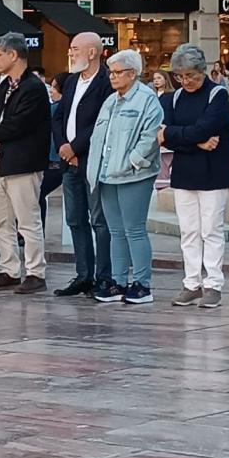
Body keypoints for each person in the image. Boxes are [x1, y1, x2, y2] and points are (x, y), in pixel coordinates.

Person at [159, 44, 229, 308]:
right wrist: (196, 142)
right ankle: (191, 282)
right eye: (180, 76)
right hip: (185, 171)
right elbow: (164, 133)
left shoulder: (218, 95)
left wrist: (180, 136)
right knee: (189, 231)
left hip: (214, 172)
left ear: (203, 72)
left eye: (191, 75)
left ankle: (213, 283)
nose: (186, 81)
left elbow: (207, 126)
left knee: (211, 230)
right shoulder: (173, 98)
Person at [87, 49, 164, 305]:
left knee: (134, 230)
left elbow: (150, 135)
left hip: (134, 175)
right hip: (107, 175)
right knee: (116, 231)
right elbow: (100, 137)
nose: (113, 77)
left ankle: (142, 283)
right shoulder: (111, 101)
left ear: (133, 73)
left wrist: (133, 162)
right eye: (112, 72)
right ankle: (118, 282)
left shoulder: (147, 99)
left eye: (119, 72)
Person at [0, 33, 50, 294]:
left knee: (27, 220)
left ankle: (35, 272)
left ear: (13, 55)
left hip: (22, 161)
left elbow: (17, 125)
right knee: (1, 219)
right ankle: (9, 268)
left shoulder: (33, 87)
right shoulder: (6, 84)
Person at [53, 32, 112, 298]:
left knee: (99, 220)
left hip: (92, 159)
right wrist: (64, 148)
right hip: (69, 162)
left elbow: (102, 120)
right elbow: (59, 117)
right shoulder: (71, 81)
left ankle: (103, 276)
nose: (70, 52)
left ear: (92, 52)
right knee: (75, 219)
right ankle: (83, 275)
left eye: (75, 48)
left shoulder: (106, 81)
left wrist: (76, 147)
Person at [38, 73, 66, 229]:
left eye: (54, 87)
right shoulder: (64, 107)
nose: (51, 91)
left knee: (37, 194)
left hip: (54, 161)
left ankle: (35, 232)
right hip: (56, 160)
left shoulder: (55, 108)